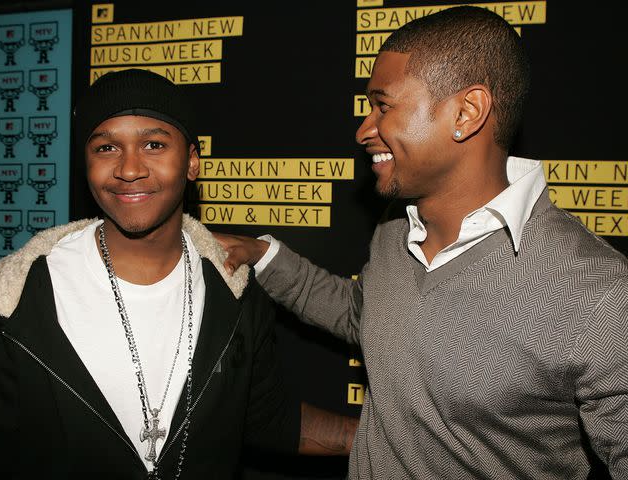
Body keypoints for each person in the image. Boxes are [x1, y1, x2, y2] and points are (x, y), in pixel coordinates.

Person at [215, 6, 628, 479]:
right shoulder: (394, 229)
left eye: (383, 105)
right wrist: (262, 256)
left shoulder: (597, 291)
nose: (364, 130)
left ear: (466, 113)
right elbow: (365, 314)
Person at [0, 69, 357, 479]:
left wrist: (391, 439)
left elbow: (266, 419)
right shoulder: (17, 299)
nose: (129, 169)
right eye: (107, 147)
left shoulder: (232, 289)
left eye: (153, 144)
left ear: (192, 162)